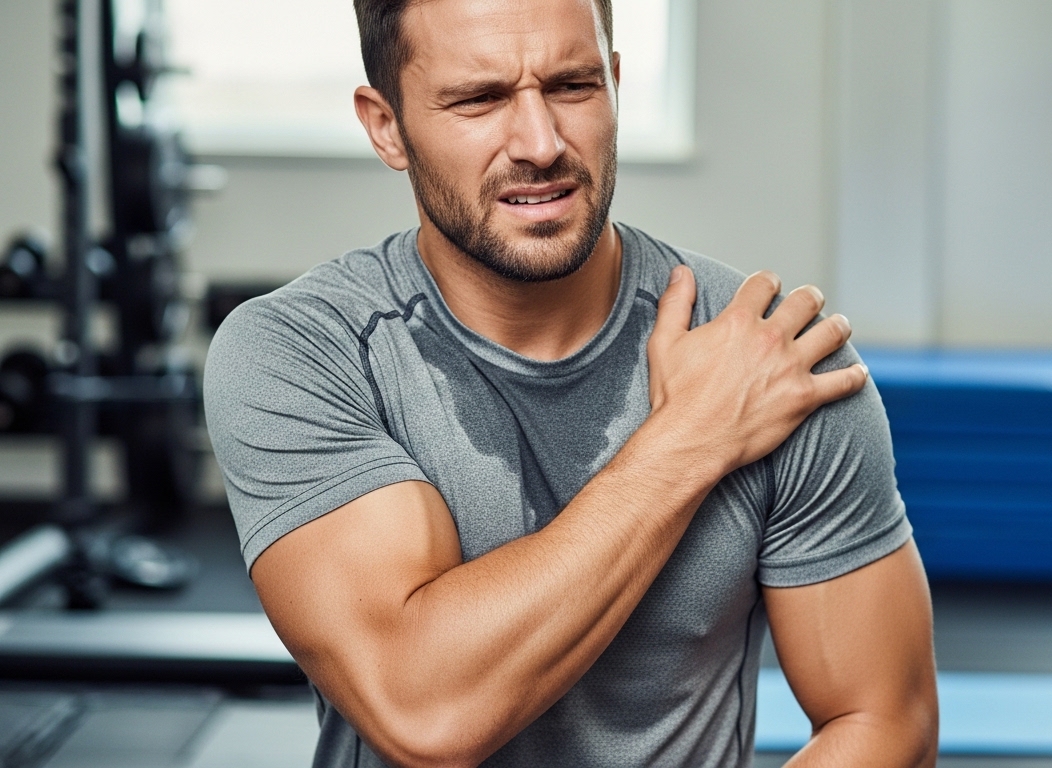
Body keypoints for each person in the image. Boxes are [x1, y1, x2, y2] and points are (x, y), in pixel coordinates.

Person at [203, 0, 938, 764]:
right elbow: (422, 708)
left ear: (616, 85)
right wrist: (689, 440)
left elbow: (883, 719)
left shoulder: (768, 359)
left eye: (572, 86)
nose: (541, 143)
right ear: (386, 125)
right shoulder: (301, 352)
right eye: (480, 99)